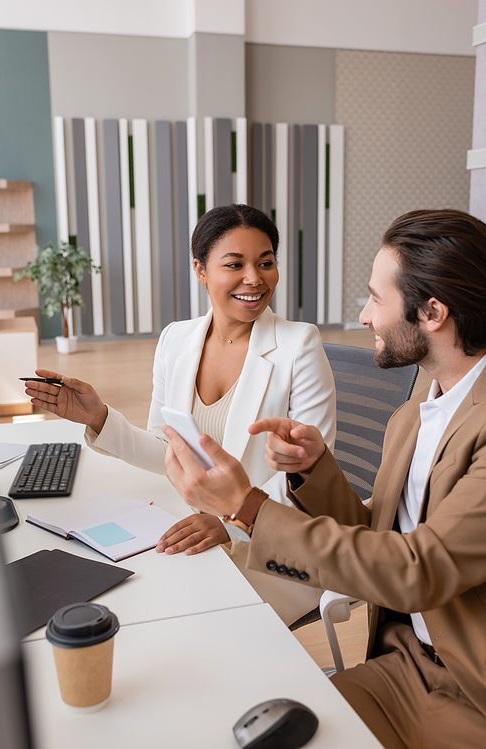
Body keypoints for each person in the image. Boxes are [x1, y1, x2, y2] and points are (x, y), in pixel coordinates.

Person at [163, 208, 486, 749]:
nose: (363, 315)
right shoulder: (415, 414)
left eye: (376, 299)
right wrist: (315, 470)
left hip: (472, 692)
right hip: (404, 664)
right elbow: (381, 537)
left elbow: (418, 569)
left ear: (431, 312)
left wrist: (246, 506)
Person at [26, 204, 336, 624]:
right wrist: (99, 418)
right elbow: (166, 449)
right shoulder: (176, 339)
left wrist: (234, 524)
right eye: (235, 264)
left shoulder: (300, 345)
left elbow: (309, 482)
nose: (255, 278)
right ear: (201, 270)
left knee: (181, 614)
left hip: (271, 543)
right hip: (189, 521)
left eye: (266, 263)